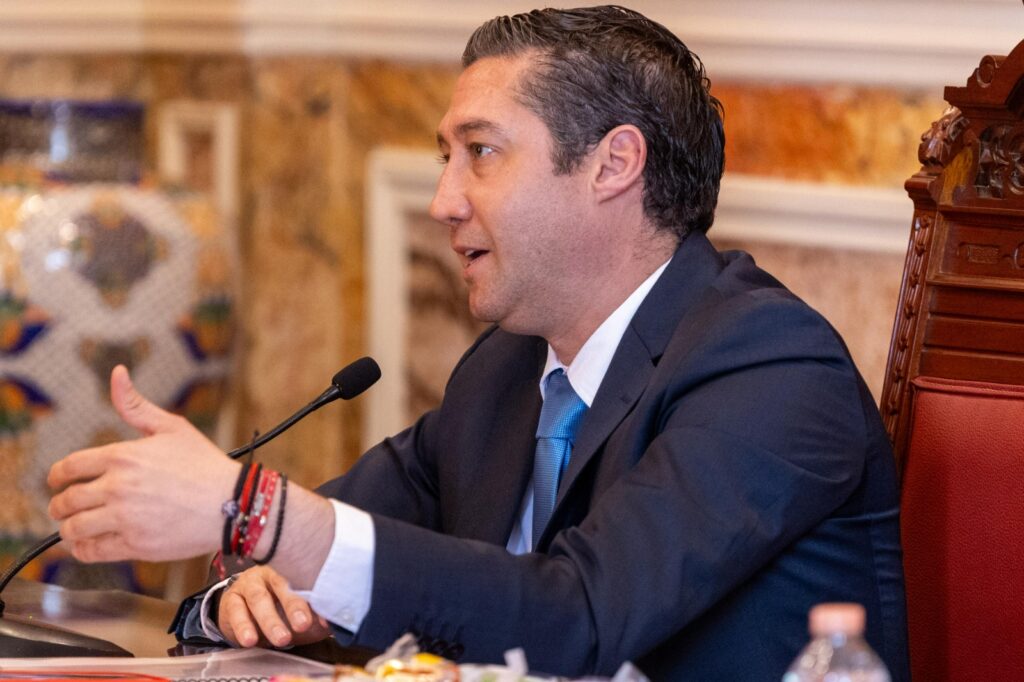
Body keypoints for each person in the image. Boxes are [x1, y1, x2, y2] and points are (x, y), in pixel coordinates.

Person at [46, 6, 910, 680]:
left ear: (614, 165)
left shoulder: (772, 369)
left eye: (482, 153)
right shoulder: (506, 370)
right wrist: (251, 585)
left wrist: (260, 514)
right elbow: (331, 541)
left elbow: (579, 620)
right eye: (444, 158)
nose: (443, 201)